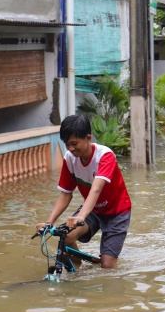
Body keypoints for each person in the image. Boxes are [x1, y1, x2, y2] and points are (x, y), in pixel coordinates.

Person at [35, 114, 132, 269]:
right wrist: (49, 221)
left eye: (74, 143)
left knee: (107, 266)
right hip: (93, 210)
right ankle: (76, 270)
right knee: (66, 236)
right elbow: (66, 193)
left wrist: (80, 216)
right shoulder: (70, 158)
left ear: (88, 137)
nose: (71, 149)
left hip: (117, 212)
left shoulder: (105, 156)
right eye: (67, 144)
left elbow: (96, 189)